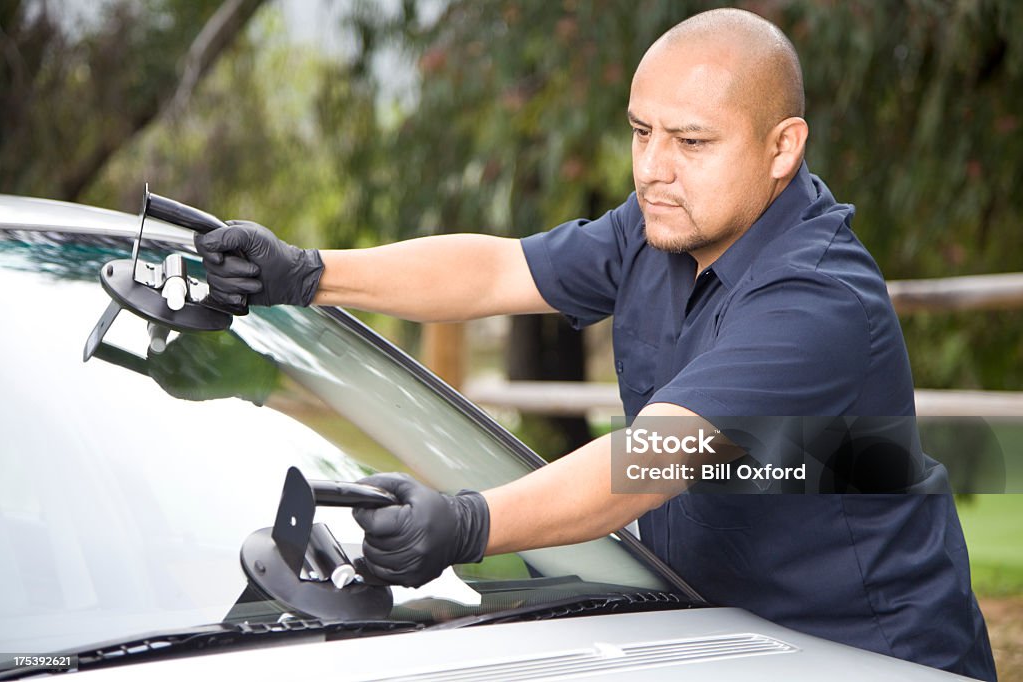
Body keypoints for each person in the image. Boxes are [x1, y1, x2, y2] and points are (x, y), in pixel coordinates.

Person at [194, 8, 996, 679]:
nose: (653, 168)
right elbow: (495, 272)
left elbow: (647, 464)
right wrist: (305, 273)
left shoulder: (817, 300)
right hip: (722, 641)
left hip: (867, 655)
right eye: (641, 133)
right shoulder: (658, 231)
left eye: (692, 142)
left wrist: (468, 525)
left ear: (782, 148)